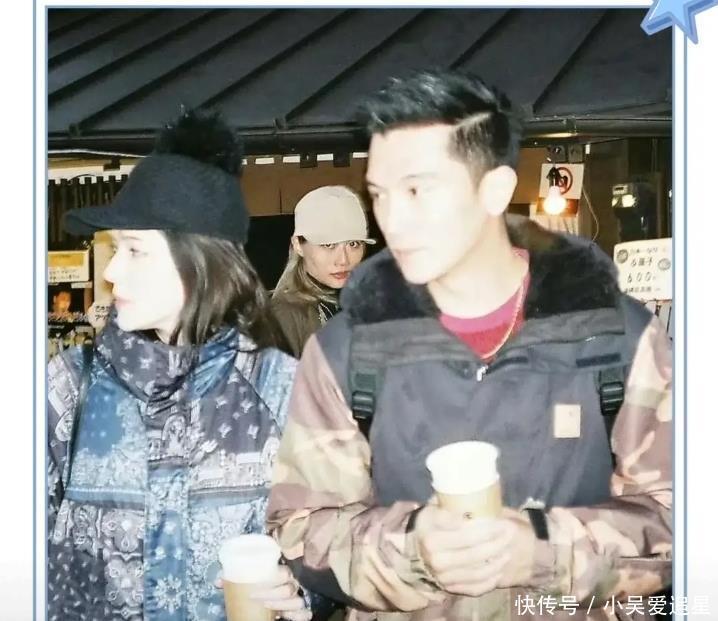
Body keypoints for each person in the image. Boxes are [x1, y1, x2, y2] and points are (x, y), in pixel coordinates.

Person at [267, 70, 672, 620]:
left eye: (417, 190)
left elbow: (683, 520)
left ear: (495, 189)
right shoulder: (347, 351)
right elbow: (300, 528)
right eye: (380, 195)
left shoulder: (614, 337)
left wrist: (545, 549)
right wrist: (411, 550)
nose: (393, 220)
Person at [47, 110, 313, 621]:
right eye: (115, 249)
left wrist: (299, 587)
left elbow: (324, 537)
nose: (113, 271)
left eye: (135, 250)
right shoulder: (68, 387)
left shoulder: (282, 389)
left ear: (200, 261)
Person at [271, 185, 375, 357]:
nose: (343, 260)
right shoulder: (284, 317)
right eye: (328, 245)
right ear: (298, 245)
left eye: (353, 244)